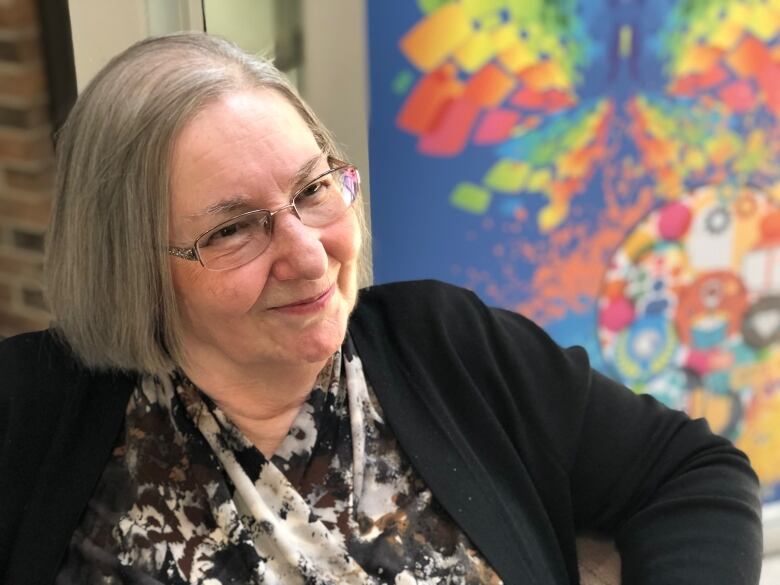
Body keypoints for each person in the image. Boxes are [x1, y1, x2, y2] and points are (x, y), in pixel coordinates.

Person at [0, 33, 763, 585]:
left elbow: (690, 471)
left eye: (312, 189)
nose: (308, 253)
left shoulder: (448, 345)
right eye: (232, 228)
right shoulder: (34, 412)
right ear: (133, 269)